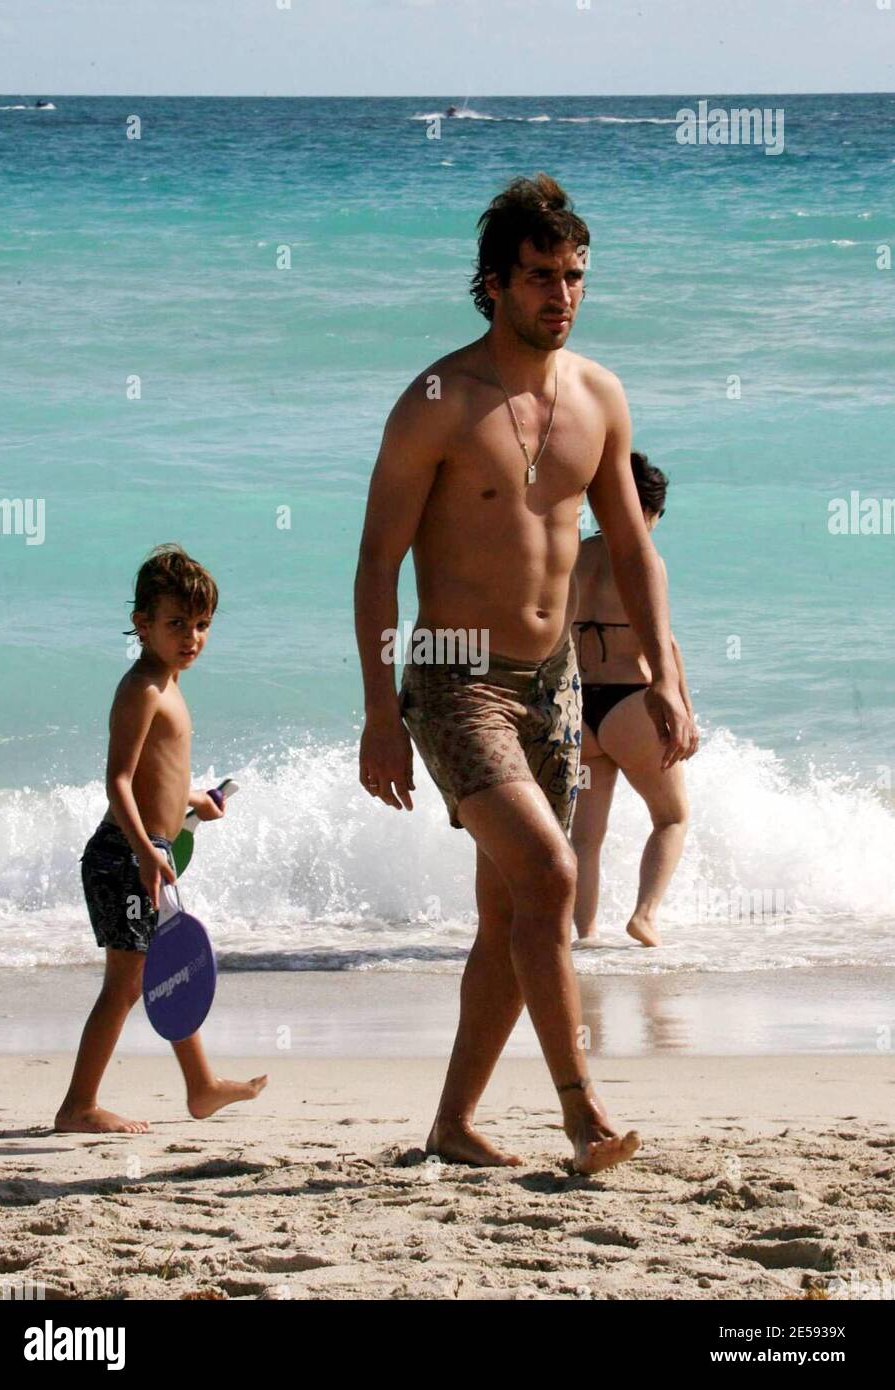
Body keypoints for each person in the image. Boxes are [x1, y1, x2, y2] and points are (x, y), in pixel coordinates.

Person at [354, 173, 694, 1174]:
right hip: (455, 675)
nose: (564, 294)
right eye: (542, 276)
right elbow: (378, 561)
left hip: (552, 682)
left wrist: (664, 671)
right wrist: (380, 710)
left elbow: (630, 548)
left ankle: (454, 1123)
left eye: (576, 276)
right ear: (494, 283)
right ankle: (582, 1112)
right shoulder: (437, 402)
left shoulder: (600, 397)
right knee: (549, 875)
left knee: (511, 910)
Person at [54, 544, 267, 1134]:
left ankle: (201, 1085)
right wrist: (147, 850)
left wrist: (193, 800)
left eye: (201, 625)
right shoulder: (143, 687)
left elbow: (157, 774)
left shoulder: (170, 682)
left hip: (151, 854)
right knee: (127, 983)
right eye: (177, 624)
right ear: (142, 625)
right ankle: (78, 1105)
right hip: (127, 855)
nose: (192, 637)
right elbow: (118, 780)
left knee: (165, 966)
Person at [571, 453, 696, 948]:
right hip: (632, 705)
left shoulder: (576, 554)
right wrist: (685, 707)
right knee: (672, 818)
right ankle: (644, 916)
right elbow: (662, 641)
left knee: (585, 838)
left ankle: (584, 936)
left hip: (581, 709)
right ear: (652, 512)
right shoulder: (646, 559)